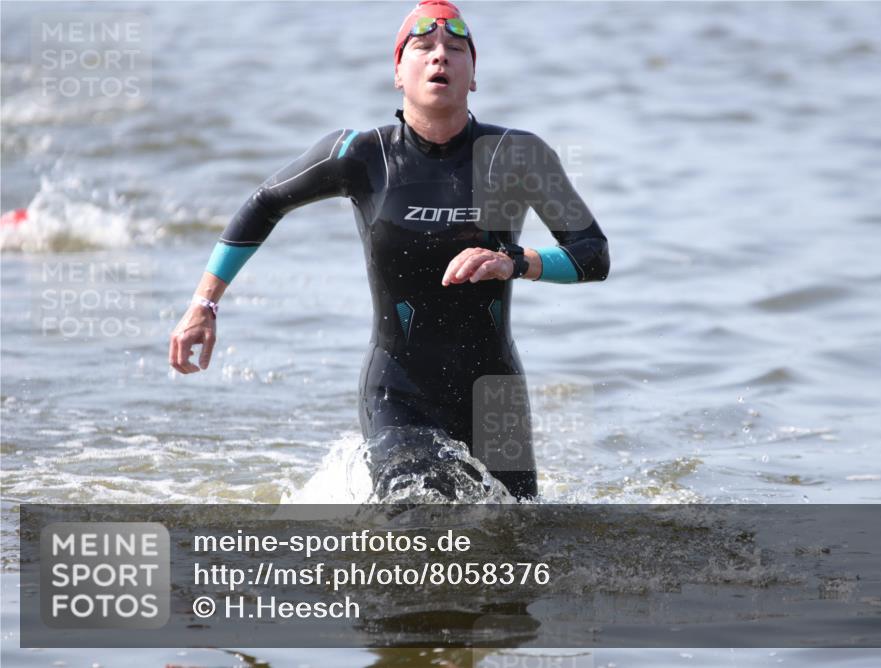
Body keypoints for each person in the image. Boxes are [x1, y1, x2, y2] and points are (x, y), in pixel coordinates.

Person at [169, 0, 610, 501]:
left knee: (517, 533)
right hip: (399, 389)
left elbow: (593, 254)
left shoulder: (518, 154)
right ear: (398, 73)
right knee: (417, 519)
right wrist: (203, 305)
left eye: (455, 48)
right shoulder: (360, 155)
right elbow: (264, 202)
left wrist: (517, 262)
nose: (439, 56)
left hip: (496, 392)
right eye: (423, 47)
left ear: (474, 76)